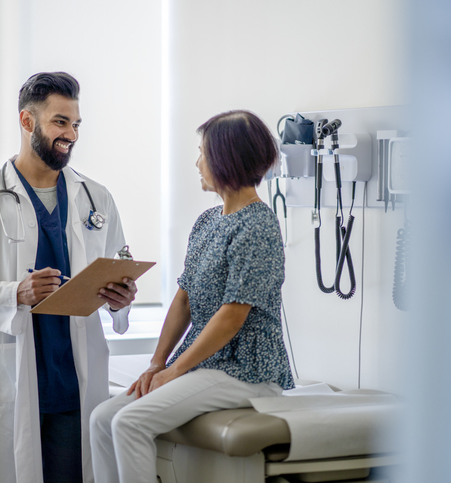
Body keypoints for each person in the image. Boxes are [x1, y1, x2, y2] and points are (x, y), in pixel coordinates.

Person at [89, 110, 295, 483]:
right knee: (103, 418)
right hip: (207, 363)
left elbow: (232, 315)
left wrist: (176, 371)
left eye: (202, 152)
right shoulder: (207, 221)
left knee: (130, 422)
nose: (197, 162)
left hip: (247, 369)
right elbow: (183, 300)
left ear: (225, 159)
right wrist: (157, 363)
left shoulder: (259, 226)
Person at [0, 72, 137, 483]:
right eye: (60, 122)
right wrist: (13, 293)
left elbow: (117, 265)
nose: (70, 133)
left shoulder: (96, 197)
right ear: (26, 122)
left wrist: (120, 298)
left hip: (73, 380)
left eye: (76, 124)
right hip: (15, 375)